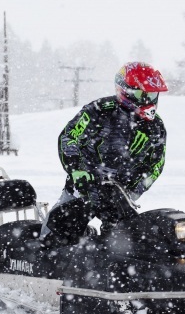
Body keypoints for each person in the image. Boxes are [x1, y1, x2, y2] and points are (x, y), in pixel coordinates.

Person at [41, 62, 169, 240]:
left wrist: (134, 189)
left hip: (121, 192)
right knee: (55, 234)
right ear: (126, 91)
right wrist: (76, 170)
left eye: (153, 95)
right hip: (85, 185)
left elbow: (156, 164)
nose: (150, 101)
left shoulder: (156, 126)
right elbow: (69, 137)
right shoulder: (99, 110)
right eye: (143, 94)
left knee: (126, 242)